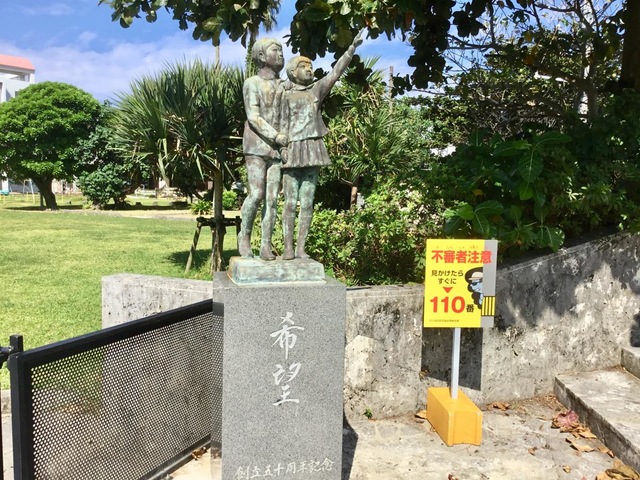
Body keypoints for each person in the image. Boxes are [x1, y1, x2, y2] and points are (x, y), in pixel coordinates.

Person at [279, 31, 363, 260]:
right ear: (292, 72)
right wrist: (281, 147)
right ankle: (288, 247)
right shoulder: (283, 94)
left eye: (310, 66)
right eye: (303, 66)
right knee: (290, 202)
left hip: (312, 148)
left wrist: (351, 49)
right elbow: (280, 122)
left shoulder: (315, 91)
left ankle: (301, 248)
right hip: (292, 149)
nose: (309, 69)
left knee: (307, 202)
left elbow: (335, 74)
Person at [238, 38, 288, 261]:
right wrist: (276, 136)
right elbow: (253, 116)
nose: (280, 54)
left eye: (282, 50)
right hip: (256, 146)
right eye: (275, 50)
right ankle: (245, 236)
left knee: (272, 199)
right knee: (256, 194)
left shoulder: (285, 86)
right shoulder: (252, 83)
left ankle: (266, 245)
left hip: (277, 150)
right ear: (261, 56)